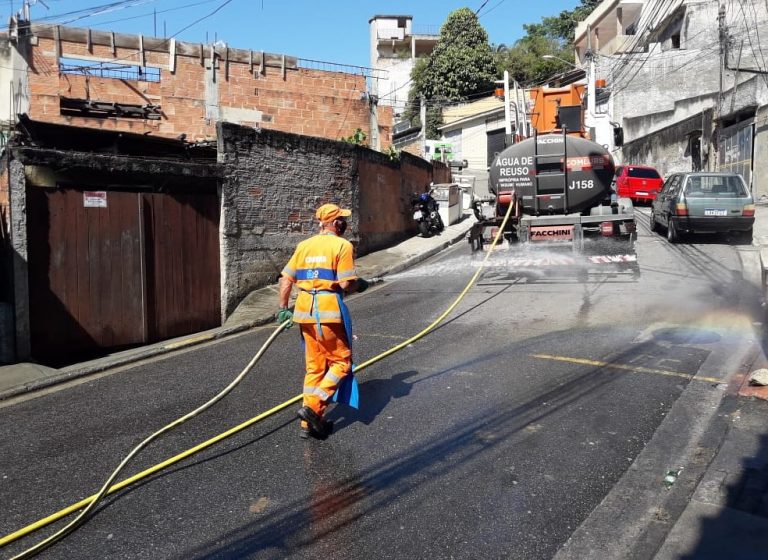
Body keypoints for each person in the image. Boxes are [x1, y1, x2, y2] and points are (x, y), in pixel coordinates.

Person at [277, 203, 369, 439]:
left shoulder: (304, 246)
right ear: (335, 223)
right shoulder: (342, 245)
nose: (344, 223)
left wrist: (283, 309)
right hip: (327, 313)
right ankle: (314, 406)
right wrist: (360, 284)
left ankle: (307, 425)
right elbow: (346, 283)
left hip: (304, 312)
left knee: (315, 367)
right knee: (341, 363)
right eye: (342, 220)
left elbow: (285, 280)